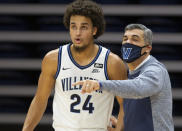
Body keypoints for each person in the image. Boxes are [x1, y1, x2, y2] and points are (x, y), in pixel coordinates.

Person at [22, 0, 127, 131]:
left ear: (94, 30)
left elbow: (126, 104)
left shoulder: (112, 63)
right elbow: (40, 100)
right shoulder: (53, 59)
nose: (77, 33)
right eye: (73, 26)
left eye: (84, 27)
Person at [73, 24, 174, 131]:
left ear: (148, 48)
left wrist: (100, 84)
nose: (128, 42)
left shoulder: (155, 70)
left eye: (135, 39)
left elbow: (138, 88)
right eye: (125, 39)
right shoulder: (131, 73)